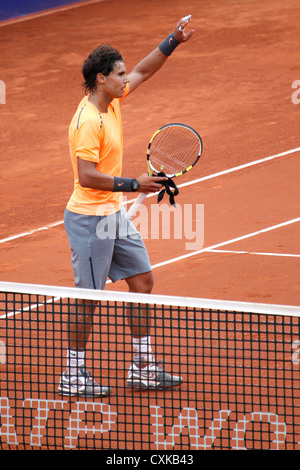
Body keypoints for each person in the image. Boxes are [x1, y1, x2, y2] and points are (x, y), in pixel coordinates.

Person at [58, 17, 195, 397]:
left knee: (143, 280)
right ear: (101, 78)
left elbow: (143, 69)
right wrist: (136, 183)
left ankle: (142, 366)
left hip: (112, 216)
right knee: (89, 299)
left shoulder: (113, 99)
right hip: (89, 220)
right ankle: (72, 373)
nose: (125, 78)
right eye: (118, 74)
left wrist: (173, 40)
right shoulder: (89, 121)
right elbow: (87, 176)